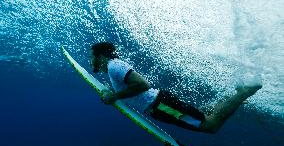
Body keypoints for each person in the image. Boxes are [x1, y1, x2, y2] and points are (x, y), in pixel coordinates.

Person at [90, 42, 262, 134]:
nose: (91, 61)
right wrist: (113, 93)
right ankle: (233, 97)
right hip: (158, 106)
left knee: (210, 125)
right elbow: (129, 89)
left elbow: (143, 84)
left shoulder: (114, 66)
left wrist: (115, 97)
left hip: (160, 105)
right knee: (203, 115)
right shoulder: (113, 69)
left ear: (101, 56)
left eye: (92, 57)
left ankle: (245, 92)